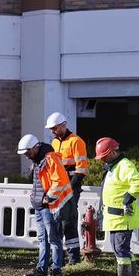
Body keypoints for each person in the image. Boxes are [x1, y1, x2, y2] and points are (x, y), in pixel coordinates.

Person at [17, 134, 75, 276]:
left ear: (35, 148)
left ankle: (56, 269)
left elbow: (60, 180)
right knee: (43, 238)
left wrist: (48, 197)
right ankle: (42, 268)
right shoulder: (38, 159)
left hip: (48, 206)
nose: (26, 156)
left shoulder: (50, 158)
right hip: (39, 206)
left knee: (53, 238)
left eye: (27, 153)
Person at [95, 137, 139, 276]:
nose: (101, 159)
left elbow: (138, 182)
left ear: (113, 152)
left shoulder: (124, 165)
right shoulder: (113, 167)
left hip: (122, 218)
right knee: (122, 250)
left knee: (121, 251)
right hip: (116, 218)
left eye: (104, 156)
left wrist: (129, 197)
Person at [46, 112, 88, 265]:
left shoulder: (76, 142)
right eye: (51, 129)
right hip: (58, 186)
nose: (52, 131)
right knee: (56, 220)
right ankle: (59, 257)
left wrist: (70, 188)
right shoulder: (55, 142)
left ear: (63, 125)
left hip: (71, 185)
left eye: (54, 128)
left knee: (69, 220)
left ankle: (73, 257)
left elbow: (81, 169)